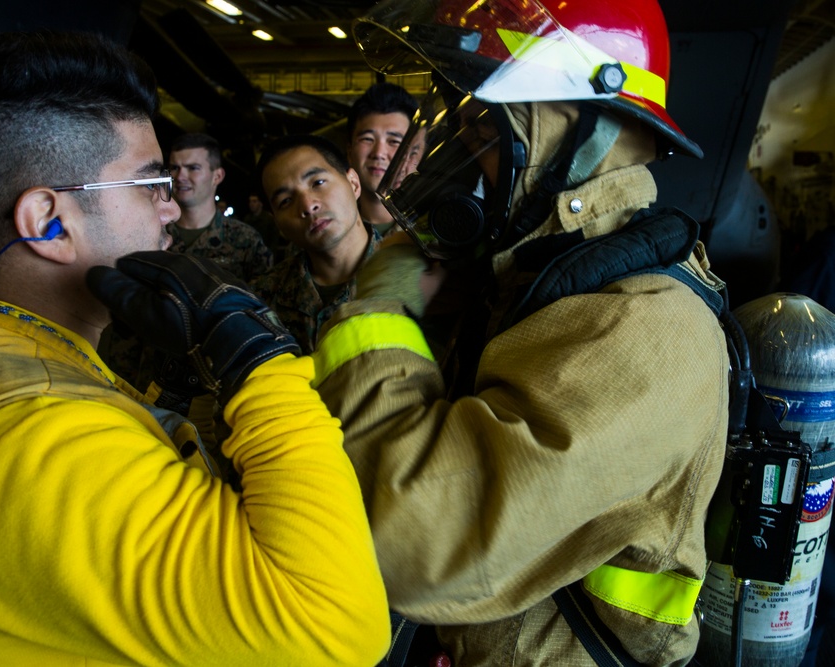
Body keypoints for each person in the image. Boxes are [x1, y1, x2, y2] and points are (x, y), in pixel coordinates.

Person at [0, 31, 389, 667]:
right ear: (47, 220)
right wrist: (259, 362)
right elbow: (341, 630)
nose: (171, 209)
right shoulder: (49, 443)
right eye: (149, 182)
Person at [311, 0, 730, 665]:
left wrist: (380, 305)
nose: (435, 165)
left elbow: (417, 546)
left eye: (479, 132)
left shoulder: (642, 330)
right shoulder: (526, 275)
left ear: (584, 135)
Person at [251, 135, 382, 353]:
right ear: (277, 222)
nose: (307, 205)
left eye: (318, 183)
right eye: (286, 201)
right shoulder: (261, 300)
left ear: (353, 183)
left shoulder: (414, 278)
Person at [166, 132, 272, 281]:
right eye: (175, 168)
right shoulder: (155, 235)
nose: (180, 177)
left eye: (193, 168)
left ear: (217, 176)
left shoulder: (245, 240)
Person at [345, 82, 422, 237]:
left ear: (416, 154)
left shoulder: (432, 233)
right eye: (367, 139)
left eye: (394, 141)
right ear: (350, 151)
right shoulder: (330, 231)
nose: (379, 153)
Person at [244, 192, 286, 260]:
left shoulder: (268, 219)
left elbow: (274, 240)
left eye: (254, 201)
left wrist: (271, 256)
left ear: (260, 203)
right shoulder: (248, 219)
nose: (251, 204)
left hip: (265, 255)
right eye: (250, 201)